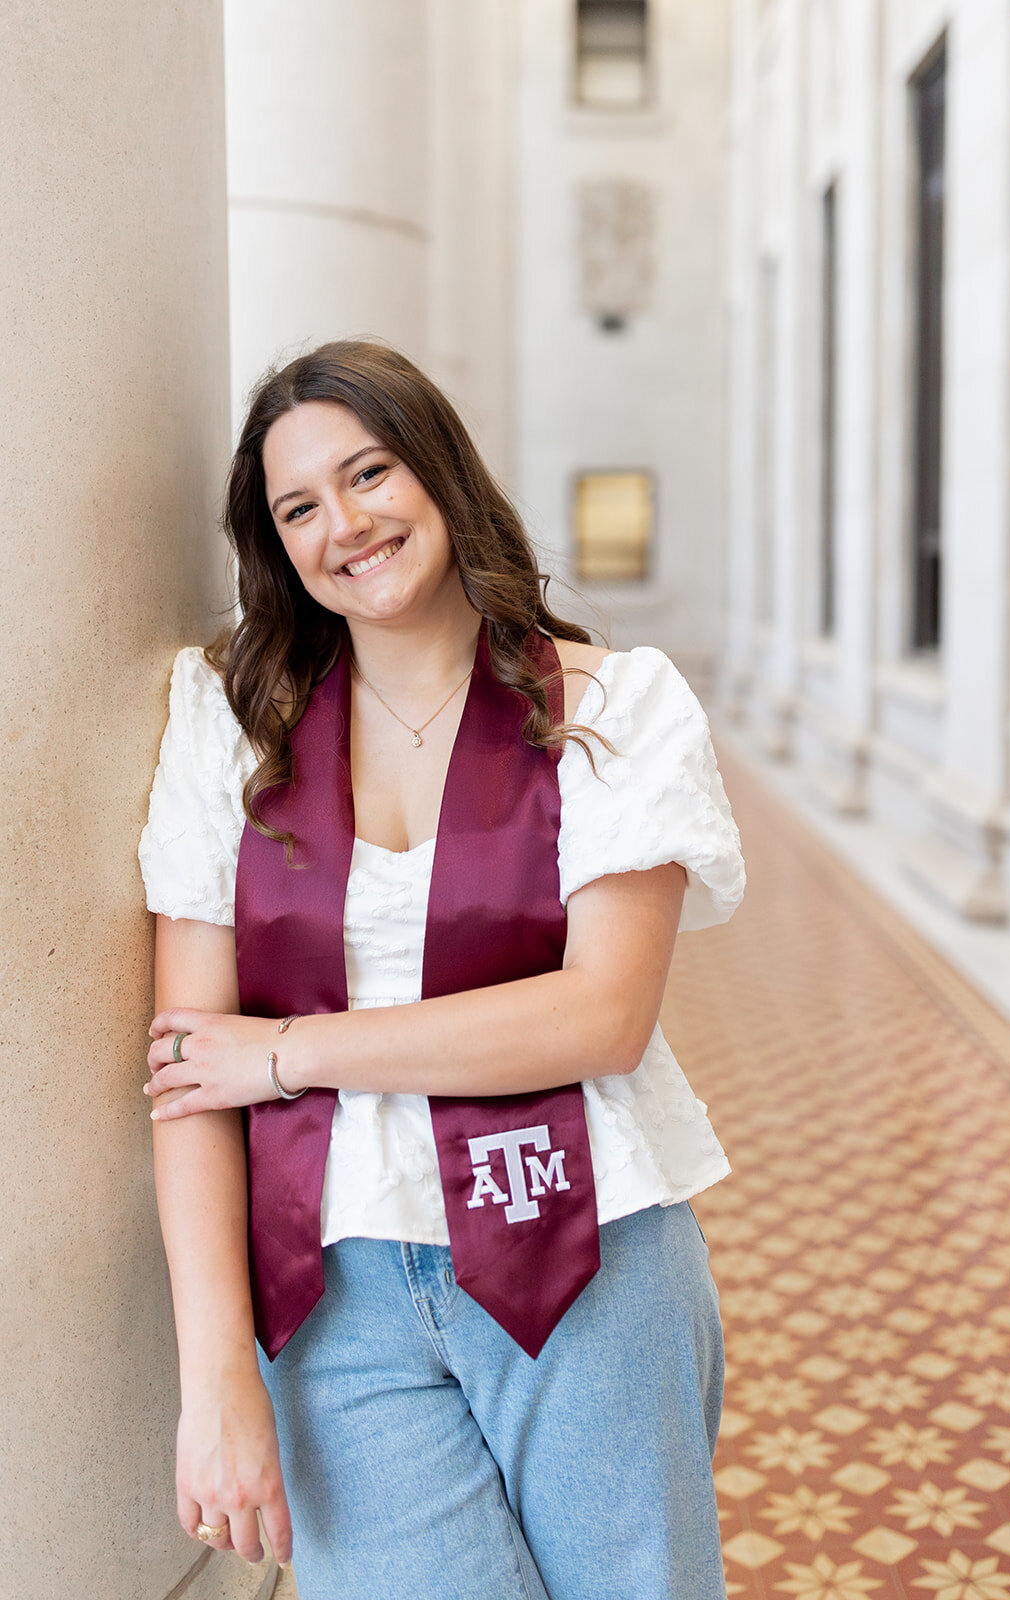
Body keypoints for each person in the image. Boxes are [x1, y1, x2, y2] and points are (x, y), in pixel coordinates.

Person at [138, 339, 745, 1600]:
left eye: (369, 473)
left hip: (581, 1253)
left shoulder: (606, 707)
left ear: (440, 472)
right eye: (298, 506)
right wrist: (215, 1378)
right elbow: (190, 1071)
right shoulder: (231, 727)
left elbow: (600, 1016)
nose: (344, 524)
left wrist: (288, 1053)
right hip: (331, 1295)